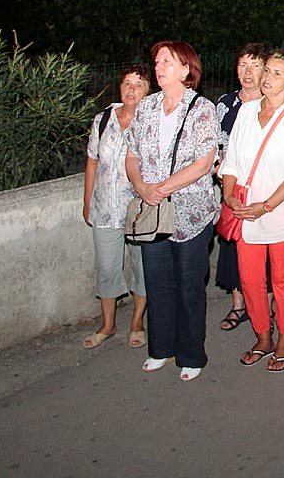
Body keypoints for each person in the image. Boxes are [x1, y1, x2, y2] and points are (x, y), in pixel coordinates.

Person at [125, 41, 219, 381]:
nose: (159, 66)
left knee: (188, 284)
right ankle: (160, 348)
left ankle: (191, 354)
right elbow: (132, 155)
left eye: (167, 61)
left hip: (191, 213)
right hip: (153, 211)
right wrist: (142, 188)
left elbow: (204, 162)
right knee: (157, 280)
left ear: (185, 69)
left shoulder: (202, 108)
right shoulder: (147, 107)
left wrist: (161, 188)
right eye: (157, 61)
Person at [221, 50, 284, 373]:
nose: (267, 77)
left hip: (283, 214)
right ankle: (263, 336)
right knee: (249, 280)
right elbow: (230, 161)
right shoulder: (246, 112)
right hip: (246, 213)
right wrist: (229, 195)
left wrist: (267, 205)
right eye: (267, 71)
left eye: (276, 73)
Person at [82, 63, 151, 349]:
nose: (131, 90)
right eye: (126, 83)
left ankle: (137, 322)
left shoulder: (152, 122)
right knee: (107, 267)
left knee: (141, 267)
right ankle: (108, 324)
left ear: (149, 90)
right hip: (105, 208)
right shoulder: (103, 119)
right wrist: (87, 201)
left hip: (138, 209)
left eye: (138, 84)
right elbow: (92, 161)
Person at [213, 43, 270, 332]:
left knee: (264, 246)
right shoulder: (225, 103)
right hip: (231, 188)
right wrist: (216, 167)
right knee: (233, 244)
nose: (248, 73)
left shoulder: (272, 104)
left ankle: (264, 304)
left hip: (264, 189)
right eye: (243, 65)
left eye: (256, 66)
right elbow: (212, 143)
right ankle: (238, 305)